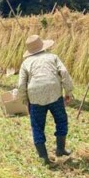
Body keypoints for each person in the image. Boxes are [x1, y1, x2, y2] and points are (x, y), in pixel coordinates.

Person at [17, 35, 74, 165]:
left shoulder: (26, 63)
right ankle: (60, 149)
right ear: (43, 46)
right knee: (61, 120)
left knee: (37, 126)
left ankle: (44, 157)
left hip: (35, 96)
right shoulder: (52, 57)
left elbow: (21, 84)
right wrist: (68, 91)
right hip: (54, 93)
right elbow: (64, 72)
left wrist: (25, 100)